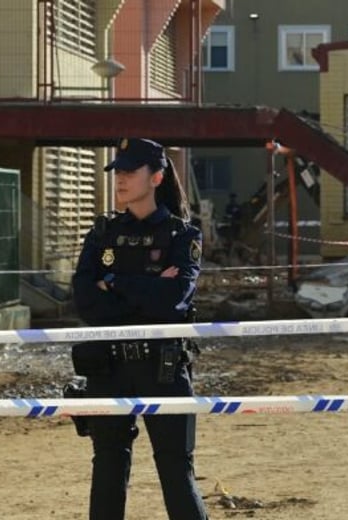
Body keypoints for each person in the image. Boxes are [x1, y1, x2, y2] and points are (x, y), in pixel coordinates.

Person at [71, 137, 209, 520]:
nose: (120, 179)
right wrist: (144, 288)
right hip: (109, 366)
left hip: (162, 367)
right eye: (118, 171)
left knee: (176, 474)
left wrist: (113, 281)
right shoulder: (102, 234)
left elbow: (174, 299)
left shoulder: (183, 236)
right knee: (107, 472)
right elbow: (84, 301)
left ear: (157, 177)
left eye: (131, 172)